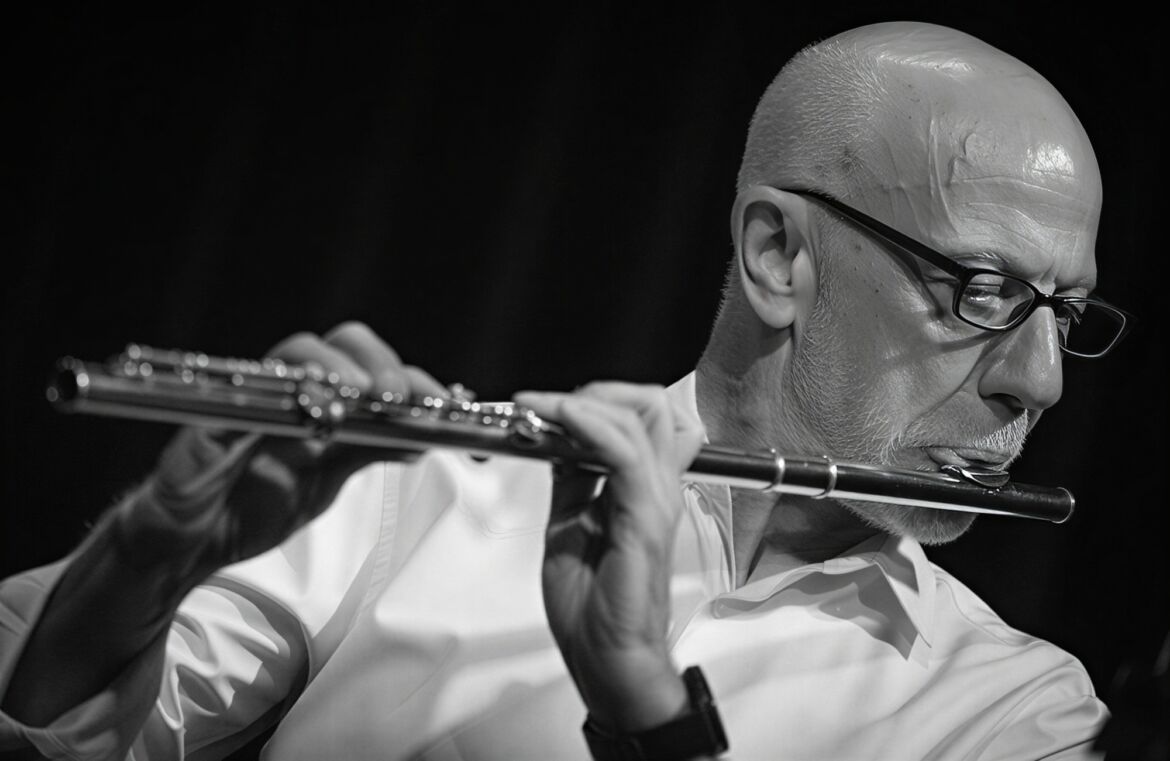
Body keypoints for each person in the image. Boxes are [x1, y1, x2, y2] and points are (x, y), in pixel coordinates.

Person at [0, 21, 1131, 760]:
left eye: (1065, 315)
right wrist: (144, 560)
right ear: (780, 257)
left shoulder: (1021, 712)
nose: (1038, 380)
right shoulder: (427, 486)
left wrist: (645, 710)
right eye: (986, 291)